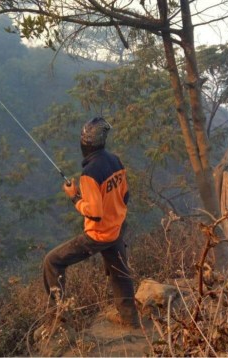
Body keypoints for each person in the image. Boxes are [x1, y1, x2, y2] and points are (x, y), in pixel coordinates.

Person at [42, 117, 140, 327]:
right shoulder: (115, 161)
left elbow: (94, 214)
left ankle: (59, 321)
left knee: (52, 261)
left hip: (99, 234)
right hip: (117, 227)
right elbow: (125, 196)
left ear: (84, 144)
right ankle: (130, 320)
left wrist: (74, 196)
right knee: (120, 273)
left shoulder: (89, 174)